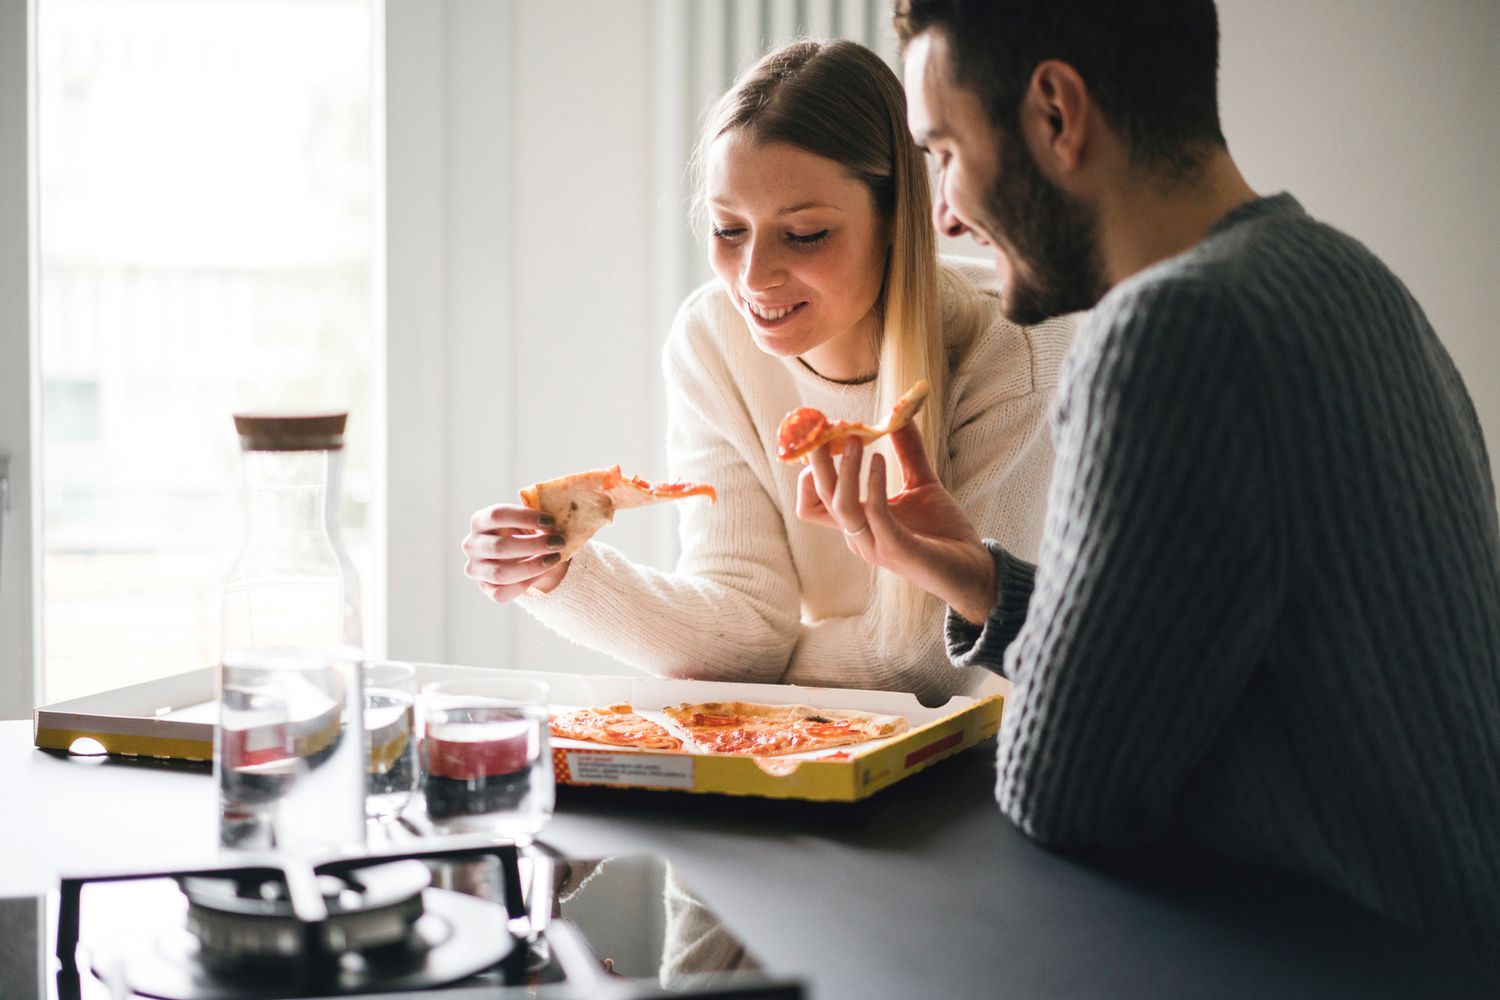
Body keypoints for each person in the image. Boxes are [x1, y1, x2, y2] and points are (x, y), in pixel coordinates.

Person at [795, 0, 1500, 957]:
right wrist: (981, 579)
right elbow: (1206, 668)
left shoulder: (1167, 334)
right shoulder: (1349, 278)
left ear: (1056, 113)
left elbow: (1064, 791)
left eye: (946, 152)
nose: (946, 211)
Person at [461, 39, 1075, 704]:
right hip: (828, 740)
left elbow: (931, 663)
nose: (754, 279)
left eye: (805, 234)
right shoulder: (710, 340)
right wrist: (558, 574)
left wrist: (764, 674)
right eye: (729, 230)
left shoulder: (1016, 344)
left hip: (992, 753)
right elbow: (745, 621)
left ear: (895, 221)